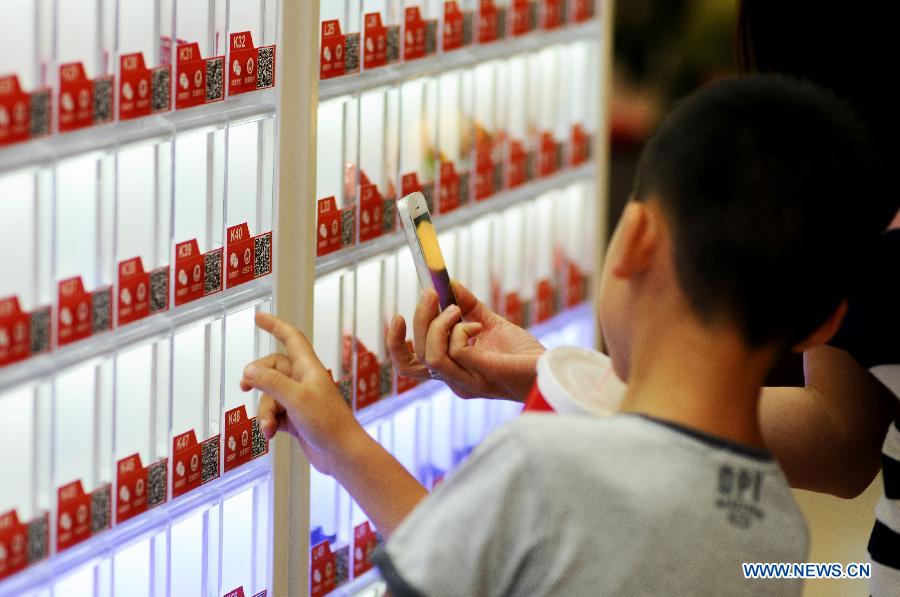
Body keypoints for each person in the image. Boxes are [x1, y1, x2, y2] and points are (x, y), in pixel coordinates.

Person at [242, 76, 881, 595]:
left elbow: (444, 575)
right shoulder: (779, 535)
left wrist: (343, 445)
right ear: (824, 325)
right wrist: (549, 376)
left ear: (635, 238)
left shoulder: (543, 464)